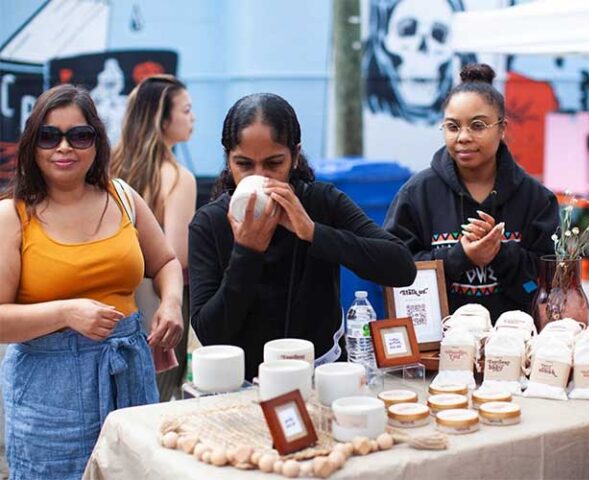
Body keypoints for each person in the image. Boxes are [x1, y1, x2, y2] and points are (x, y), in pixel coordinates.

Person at [0, 84, 183, 479]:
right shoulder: (12, 216)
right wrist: (67, 313)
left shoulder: (122, 197)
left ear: (97, 143)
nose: (63, 147)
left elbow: (166, 261)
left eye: (79, 135)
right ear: (33, 145)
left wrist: (171, 304)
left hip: (129, 375)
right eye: (50, 136)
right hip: (50, 390)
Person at [189, 93, 416, 379]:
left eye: (274, 164)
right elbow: (210, 332)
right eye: (244, 164)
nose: (260, 177)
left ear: (295, 156)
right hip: (242, 383)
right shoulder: (209, 223)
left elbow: (401, 267)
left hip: (322, 375)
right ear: (228, 160)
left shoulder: (321, 202)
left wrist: (313, 232)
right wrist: (246, 252)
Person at [384, 64, 559, 322]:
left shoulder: (536, 199)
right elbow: (392, 269)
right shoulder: (417, 194)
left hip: (517, 347)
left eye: (478, 126)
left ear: (502, 128)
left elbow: (551, 282)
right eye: (453, 127)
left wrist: (501, 253)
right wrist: (460, 257)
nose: (463, 137)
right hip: (439, 347)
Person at [111, 74, 197, 401]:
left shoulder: (109, 168)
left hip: (114, 300)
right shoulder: (177, 178)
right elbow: (177, 255)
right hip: (162, 306)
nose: (193, 118)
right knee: (153, 405)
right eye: (186, 110)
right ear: (162, 119)